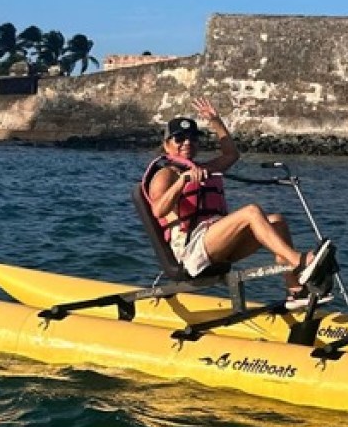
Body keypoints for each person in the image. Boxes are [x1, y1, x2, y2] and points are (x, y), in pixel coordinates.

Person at [142, 97, 333, 302]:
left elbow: (231, 155)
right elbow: (158, 211)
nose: (187, 143)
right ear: (166, 144)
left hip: (217, 244)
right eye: (179, 139)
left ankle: (295, 290)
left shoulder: (203, 170)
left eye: (193, 138)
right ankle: (299, 262)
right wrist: (182, 182)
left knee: (277, 221)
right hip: (191, 250)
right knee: (251, 211)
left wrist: (215, 121)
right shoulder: (165, 174)